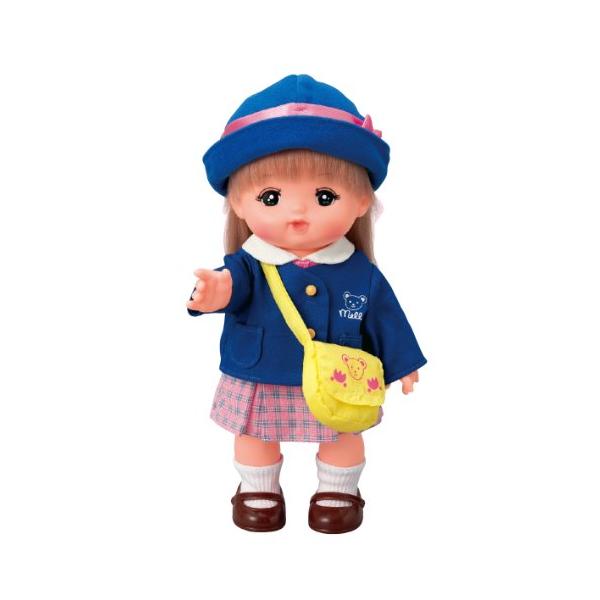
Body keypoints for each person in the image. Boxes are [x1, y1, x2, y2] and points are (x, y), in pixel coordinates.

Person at [186, 74, 427, 533]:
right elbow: (234, 285)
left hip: (340, 374)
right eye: (271, 197)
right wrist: (216, 292)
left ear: (362, 201)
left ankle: (338, 490)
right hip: (261, 368)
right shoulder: (249, 265)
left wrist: (403, 362)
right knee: (253, 433)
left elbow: (386, 317)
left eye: (324, 197)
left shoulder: (359, 271)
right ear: (238, 202)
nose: (298, 214)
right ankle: (258, 488)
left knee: (343, 434)